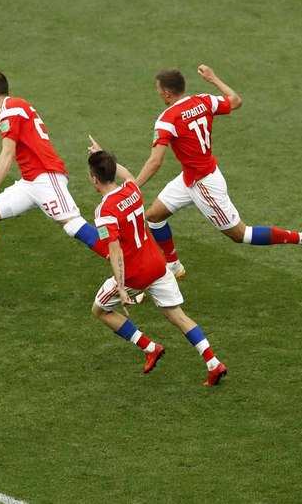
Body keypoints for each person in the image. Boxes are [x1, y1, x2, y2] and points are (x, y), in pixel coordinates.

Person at [122, 65, 302, 278]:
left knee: (240, 234)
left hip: (203, 185)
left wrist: (132, 187)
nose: (158, 93)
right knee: (153, 216)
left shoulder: (167, 119)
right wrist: (213, 78)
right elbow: (236, 101)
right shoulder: (203, 100)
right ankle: (173, 265)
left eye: (158, 90)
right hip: (190, 178)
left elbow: (155, 162)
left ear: (166, 92)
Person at [0, 71, 102, 289]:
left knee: (73, 225)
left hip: (46, 177)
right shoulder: (12, 108)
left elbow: (8, 153)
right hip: (30, 182)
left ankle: (133, 269)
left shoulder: (11, 109)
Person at [87, 149, 227, 386]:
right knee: (178, 316)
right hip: (158, 265)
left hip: (135, 275)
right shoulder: (132, 190)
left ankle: (149, 347)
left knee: (100, 310)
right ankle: (213, 363)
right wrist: (106, 157)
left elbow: (115, 250)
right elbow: (129, 175)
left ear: (93, 179)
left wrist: (121, 288)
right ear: (113, 171)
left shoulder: (104, 213)